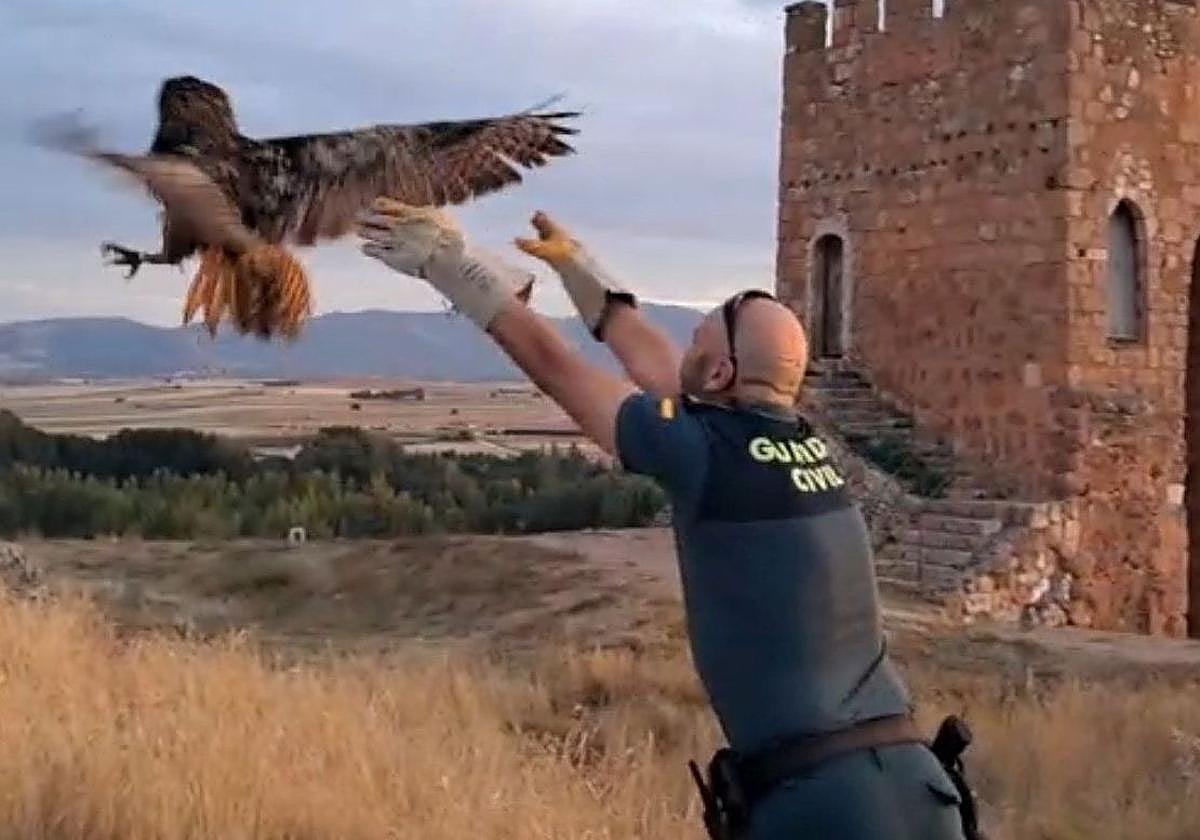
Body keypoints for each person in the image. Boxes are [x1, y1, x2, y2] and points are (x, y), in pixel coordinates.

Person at [355, 198, 972, 840]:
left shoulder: (704, 453)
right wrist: (585, 276)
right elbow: (665, 372)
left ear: (722, 370)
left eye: (703, 330)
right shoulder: (803, 445)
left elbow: (557, 367)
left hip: (822, 809)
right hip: (920, 789)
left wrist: (453, 266)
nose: (692, 336)